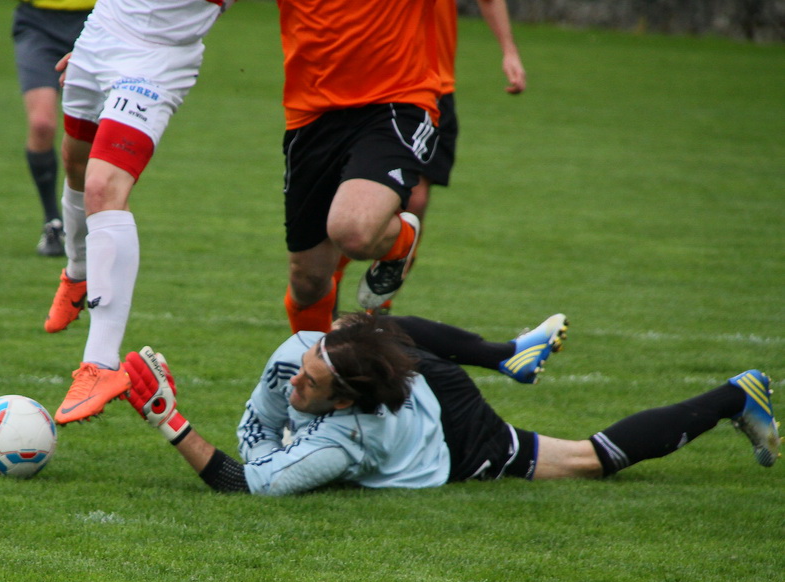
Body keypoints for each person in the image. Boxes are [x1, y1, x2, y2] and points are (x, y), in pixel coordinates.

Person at [119, 313, 781, 495]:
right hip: (425, 378)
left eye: (310, 385)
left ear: (344, 401)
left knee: (586, 460)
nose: (296, 382)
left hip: (457, 439)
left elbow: (247, 483)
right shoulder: (302, 354)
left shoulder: (345, 442)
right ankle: (505, 353)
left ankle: (735, 395)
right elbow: (268, 411)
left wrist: (169, 421)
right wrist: (274, 420)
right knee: (371, 328)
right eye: (306, 368)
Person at [277, 0, 525, 334]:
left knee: (353, 231)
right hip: (310, 116)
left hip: (394, 102)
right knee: (307, 281)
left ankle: (398, 249)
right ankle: (317, 363)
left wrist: (508, 50)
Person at [46, 0, 236, 425]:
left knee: (103, 186)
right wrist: (97, 45)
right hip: (100, 30)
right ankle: (78, 273)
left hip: (155, 57)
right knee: (76, 161)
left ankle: (101, 364)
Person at [12, 0, 96, 257]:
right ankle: (53, 223)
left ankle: (95, 222)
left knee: (97, 129)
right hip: (38, 23)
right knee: (41, 124)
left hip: (96, 20)